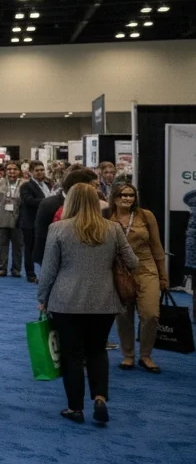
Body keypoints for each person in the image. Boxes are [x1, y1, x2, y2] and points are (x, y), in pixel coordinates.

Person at [38, 184, 137, 424]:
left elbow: (49, 270)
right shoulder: (113, 228)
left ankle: (75, 408)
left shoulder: (58, 229)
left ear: (70, 202)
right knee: (97, 350)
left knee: (72, 355)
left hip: (66, 300)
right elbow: (133, 262)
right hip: (104, 300)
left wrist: (42, 299)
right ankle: (100, 398)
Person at [108, 184, 167, 373]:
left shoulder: (146, 216)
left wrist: (163, 276)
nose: (127, 198)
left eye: (131, 195)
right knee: (124, 315)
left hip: (146, 268)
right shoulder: (107, 218)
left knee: (150, 314)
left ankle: (146, 355)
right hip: (119, 271)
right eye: (123, 195)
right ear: (115, 197)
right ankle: (128, 355)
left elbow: (157, 247)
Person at [34, 168, 99, 268]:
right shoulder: (49, 205)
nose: (97, 190)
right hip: (57, 260)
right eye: (94, 186)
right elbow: (41, 236)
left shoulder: (98, 204)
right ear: (80, 187)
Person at [0, 162, 25, 277]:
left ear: (19, 171)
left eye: (14, 169)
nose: (12, 171)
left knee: (18, 246)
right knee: (2, 246)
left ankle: (16, 269)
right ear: (5, 171)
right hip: (1, 218)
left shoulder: (25, 184)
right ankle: (2, 268)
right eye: (9, 169)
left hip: (18, 219)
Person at [20, 160, 48, 283]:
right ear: (31, 172)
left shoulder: (47, 184)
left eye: (42, 170)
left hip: (44, 222)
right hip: (30, 223)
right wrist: (47, 202)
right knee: (29, 249)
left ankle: (44, 273)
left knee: (44, 248)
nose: (40, 172)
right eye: (37, 170)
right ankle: (30, 274)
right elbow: (28, 201)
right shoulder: (26, 186)